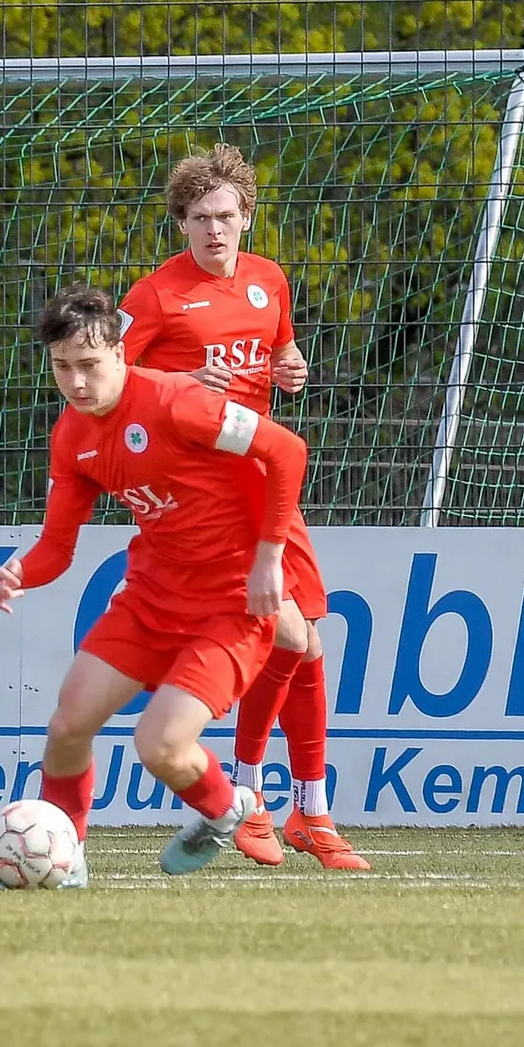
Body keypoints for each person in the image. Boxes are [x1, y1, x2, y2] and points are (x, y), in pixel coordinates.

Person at [0, 284, 310, 884]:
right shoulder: (72, 437)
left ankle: (224, 808)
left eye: (89, 364)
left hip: (233, 602)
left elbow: (287, 451)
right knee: (67, 726)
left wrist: (270, 557)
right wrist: (20, 572)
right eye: (62, 367)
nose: (76, 382)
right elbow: (58, 548)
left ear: (119, 352)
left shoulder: (177, 402)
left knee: (159, 746)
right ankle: (67, 858)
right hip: (151, 598)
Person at [118, 143, 367, 870]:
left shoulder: (269, 280)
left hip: (264, 475)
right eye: (200, 218)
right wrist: (177, 383)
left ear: (246, 218)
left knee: (306, 641)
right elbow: (101, 378)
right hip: (200, 488)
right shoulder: (155, 295)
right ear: (181, 224)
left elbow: (280, 357)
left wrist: (292, 368)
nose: (214, 229)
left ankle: (305, 811)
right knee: (289, 636)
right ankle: (256, 800)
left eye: (225, 216)